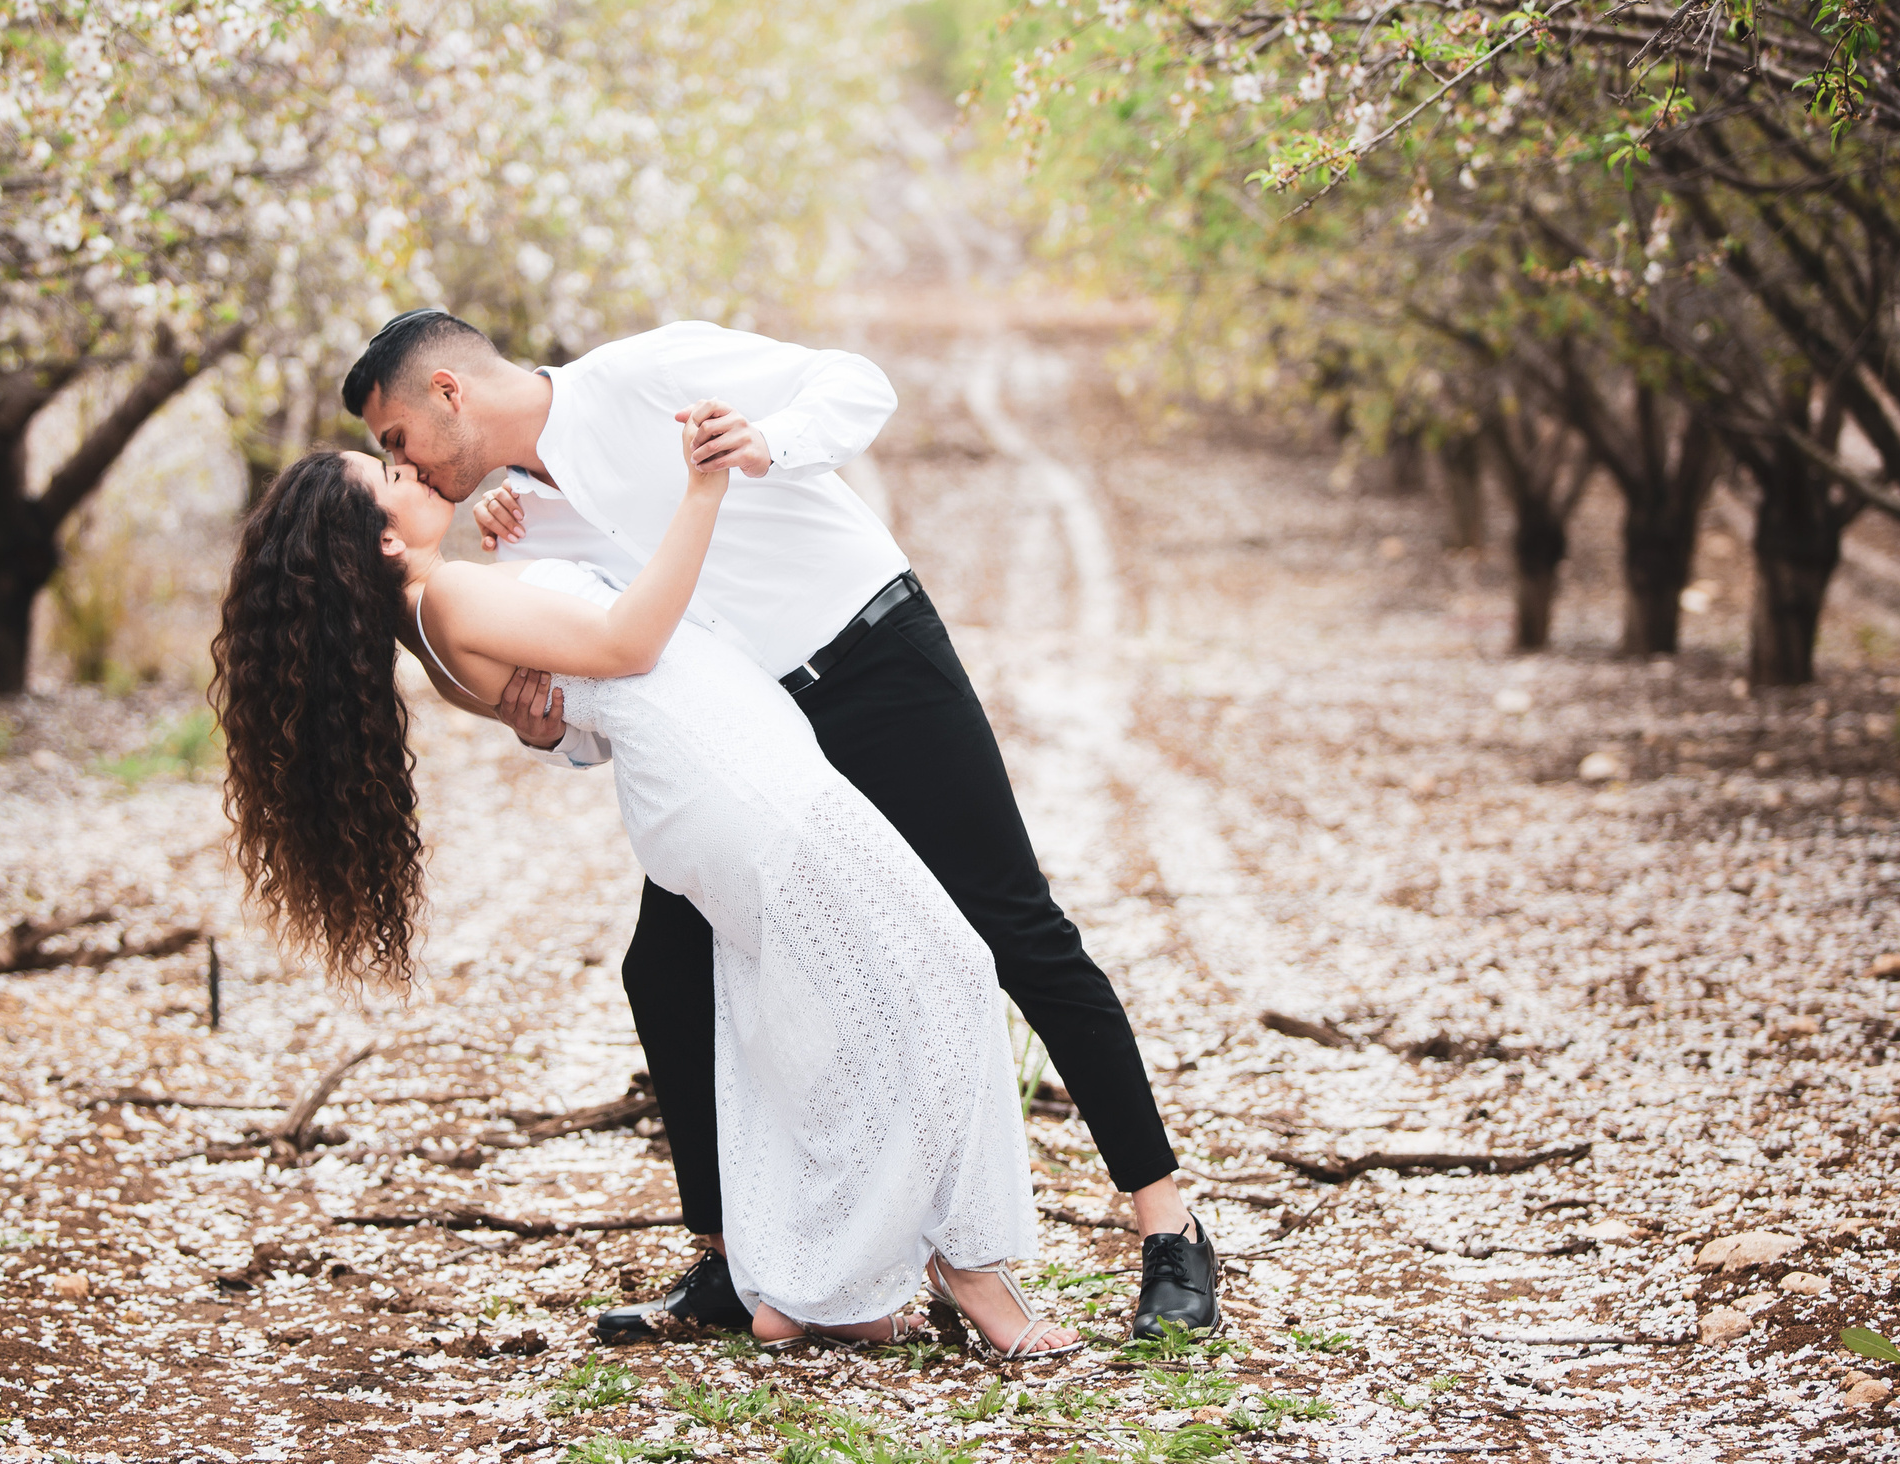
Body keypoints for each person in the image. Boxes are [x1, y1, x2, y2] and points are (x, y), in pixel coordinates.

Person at [342, 309, 1219, 1343]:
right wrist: (546, 734)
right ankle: (727, 1263)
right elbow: (625, 673)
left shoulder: (644, 374)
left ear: (448, 393)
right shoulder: (518, 522)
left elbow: (855, 382)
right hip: (751, 748)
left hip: (870, 658)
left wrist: (768, 445)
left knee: (1009, 923)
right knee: (661, 972)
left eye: (393, 439)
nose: (393, 461)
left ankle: (1167, 1225)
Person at [211, 432, 1078, 1355]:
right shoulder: (452, 599)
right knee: (948, 971)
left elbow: (575, 670)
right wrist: (702, 491)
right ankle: (971, 1273)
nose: (416, 471)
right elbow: (627, 641)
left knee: (813, 1032)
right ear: (384, 541)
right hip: (739, 785)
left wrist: (529, 543)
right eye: (392, 476)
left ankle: (809, 1289)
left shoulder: (443, 616)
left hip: (720, 786)